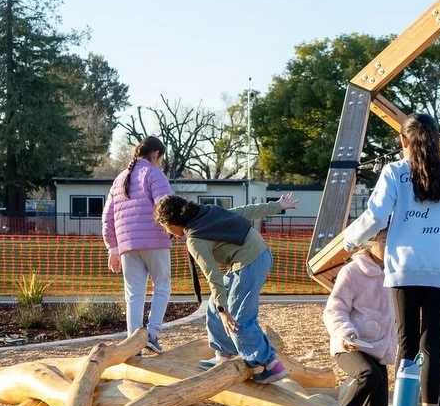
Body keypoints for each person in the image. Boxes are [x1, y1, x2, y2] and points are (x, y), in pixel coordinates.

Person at [343, 112, 440, 406]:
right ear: (437, 140)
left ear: (403, 140)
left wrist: (349, 240)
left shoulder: (394, 172)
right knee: (432, 344)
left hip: (403, 267)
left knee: (406, 342)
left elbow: (375, 215)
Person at [153, 191, 298, 383]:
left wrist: (224, 311)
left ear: (172, 222)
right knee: (214, 304)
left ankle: (271, 365)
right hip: (257, 255)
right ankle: (222, 355)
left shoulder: (195, 239)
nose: (168, 232)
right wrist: (277, 206)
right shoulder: (207, 213)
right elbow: (244, 211)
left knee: (237, 318)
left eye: (165, 227)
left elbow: (214, 277)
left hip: (248, 263)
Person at [102, 137, 174, 353]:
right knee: (162, 285)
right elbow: (166, 206)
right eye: (161, 158)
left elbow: (107, 216)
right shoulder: (154, 174)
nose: (161, 163)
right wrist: (176, 232)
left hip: (127, 244)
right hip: (155, 240)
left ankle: (133, 344)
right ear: (156, 155)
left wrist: (112, 248)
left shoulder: (119, 179)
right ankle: (152, 334)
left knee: (133, 294)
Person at [321, 235, 396, 406]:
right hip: (348, 344)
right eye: (385, 242)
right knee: (369, 375)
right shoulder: (352, 271)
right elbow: (334, 310)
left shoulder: (393, 272)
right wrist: (347, 334)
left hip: (377, 347)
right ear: (370, 244)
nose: (391, 246)